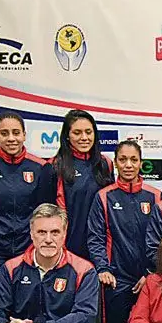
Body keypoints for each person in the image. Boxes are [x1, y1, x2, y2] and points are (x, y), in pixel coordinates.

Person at [0, 204, 98, 323]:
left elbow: (85, 316)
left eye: (55, 232)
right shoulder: (11, 268)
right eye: (41, 232)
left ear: (64, 234)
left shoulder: (84, 270)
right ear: (31, 234)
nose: (48, 239)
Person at [0, 112, 51, 298]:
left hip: (28, 250)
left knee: (28, 307)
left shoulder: (40, 167)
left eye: (16, 132)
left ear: (24, 135)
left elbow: (44, 213)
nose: (11, 138)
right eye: (5, 133)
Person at [86, 140, 162, 323]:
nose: (128, 165)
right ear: (116, 162)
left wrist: (152, 273)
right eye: (123, 160)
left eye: (133, 160)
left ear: (140, 163)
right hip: (115, 279)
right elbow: (96, 237)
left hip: (150, 278)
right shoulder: (103, 196)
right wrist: (103, 268)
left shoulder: (155, 196)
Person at [44, 109, 115, 259]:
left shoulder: (105, 164)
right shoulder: (54, 167)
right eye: (77, 133)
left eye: (88, 132)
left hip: (100, 249)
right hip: (68, 249)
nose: (84, 137)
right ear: (67, 136)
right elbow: (46, 216)